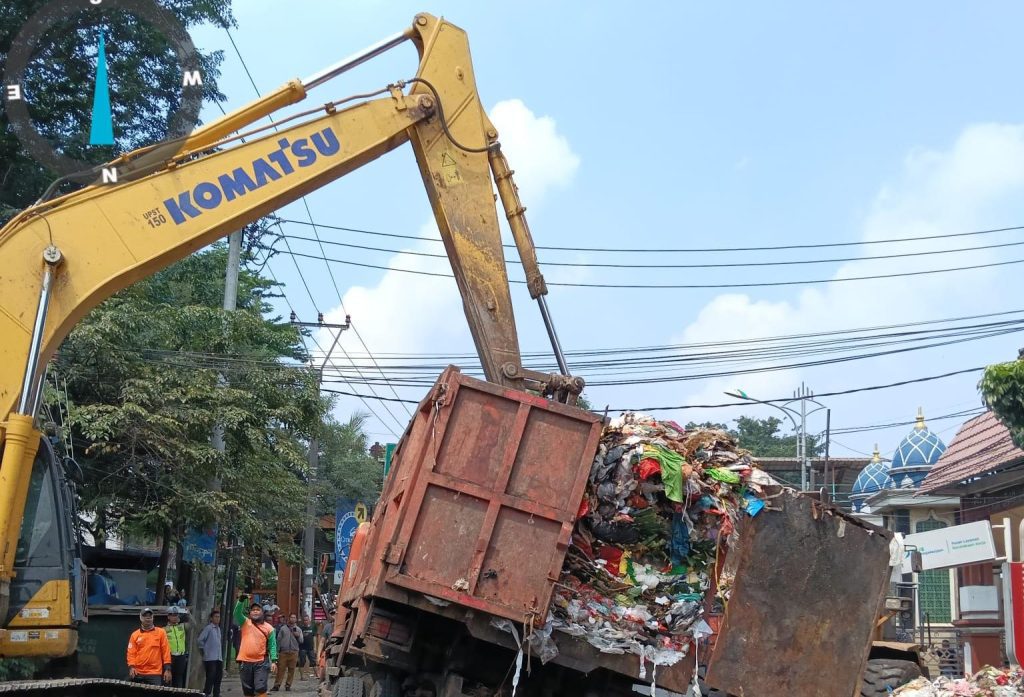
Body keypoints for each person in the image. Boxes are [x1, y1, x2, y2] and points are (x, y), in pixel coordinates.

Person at [237, 603, 278, 697]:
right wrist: (241, 601)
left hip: (261, 663)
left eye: (258, 609)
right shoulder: (245, 622)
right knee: (247, 690)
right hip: (245, 661)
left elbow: (272, 645)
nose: (255, 611)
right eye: (253, 610)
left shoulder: (269, 628)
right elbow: (237, 613)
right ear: (250, 613)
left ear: (262, 613)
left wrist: (274, 661)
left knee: (260, 688)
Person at [126, 607, 171, 686]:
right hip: (138, 672)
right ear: (141, 618)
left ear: (153, 618)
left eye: (150, 616)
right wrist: (131, 667)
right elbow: (131, 653)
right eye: (145, 616)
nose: (148, 618)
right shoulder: (135, 635)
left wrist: (167, 669)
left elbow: (166, 651)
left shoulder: (161, 632)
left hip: (154, 673)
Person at [197, 608, 224, 697]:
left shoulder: (218, 629)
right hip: (210, 658)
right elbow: (200, 640)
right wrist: (204, 650)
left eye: (219, 617)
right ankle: (207, 693)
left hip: (218, 657)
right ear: (211, 618)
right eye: (215, 617)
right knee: (210, 677)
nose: (217, 619)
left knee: (218, 678)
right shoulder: (209, 628)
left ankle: (216, 694)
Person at [272, 613, 302, 692]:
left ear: (296, 619)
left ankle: (288, 685)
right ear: (289, 618)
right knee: (280, 670)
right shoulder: (283, 628)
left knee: (291, 670)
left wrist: (298, 635)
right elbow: (278, 640)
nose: (293, 619)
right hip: (283, 652)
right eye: (291, 617)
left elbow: (301, 641)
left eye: (294, 617)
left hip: (294, 652)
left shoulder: (298, 629)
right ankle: (276, 685)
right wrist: (277, 651)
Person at [164, 605, 188, 688]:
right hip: (170, 656)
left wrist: (188, 614)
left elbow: (194, 625)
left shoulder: (182, 626)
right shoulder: (164, 629)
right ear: (168, 616)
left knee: (179, 678)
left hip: (181, 656)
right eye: (173, 615)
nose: (175, 617)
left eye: (176, 615)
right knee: (168, 679)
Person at [297, 614, 315, 681]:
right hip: (302, 648)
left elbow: (315, 637)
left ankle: (317, 675)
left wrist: (315, 646)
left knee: (313, 662)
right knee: (302, 662)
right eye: (304, 620)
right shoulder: (300, 628)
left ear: (309, 620)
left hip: (310, 647)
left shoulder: (312, 627)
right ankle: (302, 676)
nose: (305, 621)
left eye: (307, 620)